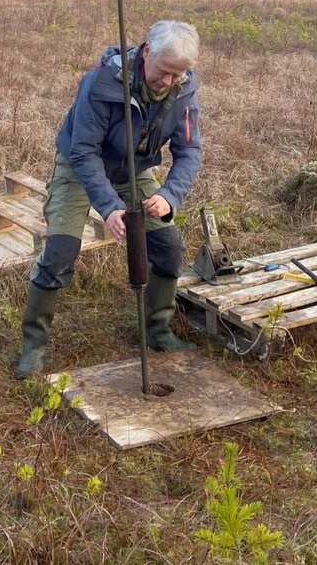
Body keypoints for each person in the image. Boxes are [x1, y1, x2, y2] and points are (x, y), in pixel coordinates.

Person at [16, 20, 203, 378]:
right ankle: (33, 347)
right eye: (163, 72)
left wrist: (169, 195)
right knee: (59, 254)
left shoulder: (184, 91)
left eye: (177, 75)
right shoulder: (101, 84)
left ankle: (158, 330)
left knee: (169, 249)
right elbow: (83, 151)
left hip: (135, 172)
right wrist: (110, 208)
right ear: (147, 51)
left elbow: (189, 151)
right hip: (79, 166)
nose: (167, 82)